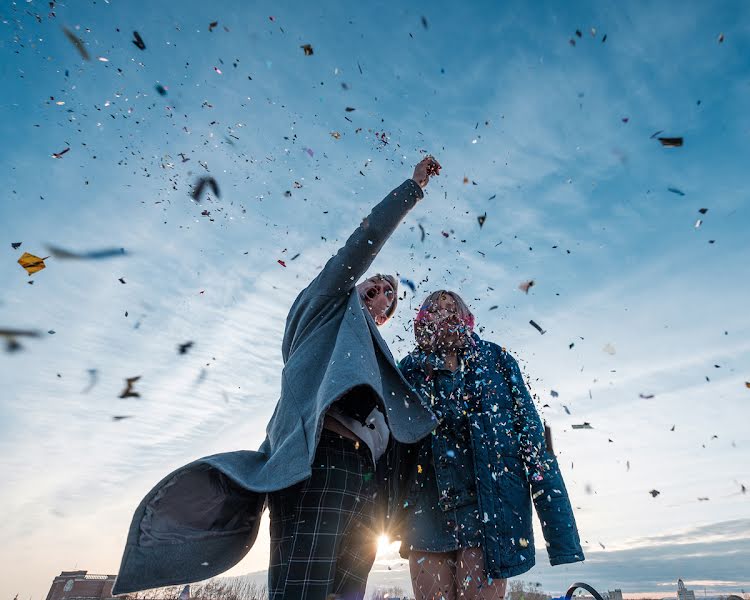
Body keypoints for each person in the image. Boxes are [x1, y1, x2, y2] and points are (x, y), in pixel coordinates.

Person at [111, 156, 442, 600]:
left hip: (368, 482)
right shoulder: (326, 304)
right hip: (319, 460)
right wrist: (413, 187)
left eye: (391, 298)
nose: (383, 294)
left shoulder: (378, 359)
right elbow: (362, 243)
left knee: (348, 595)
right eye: (377, 284)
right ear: (358, 283)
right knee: (300, 591)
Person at [388, 290, 585, 600]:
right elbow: (389, 446)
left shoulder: (498, 362)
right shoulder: (407, 370)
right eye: (436, 309)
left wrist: (561, 536)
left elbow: (534, 444)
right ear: (423, 322)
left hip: (488, 512)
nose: (446, 313)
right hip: (426, 513)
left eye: (452, 307)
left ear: (467, 316)